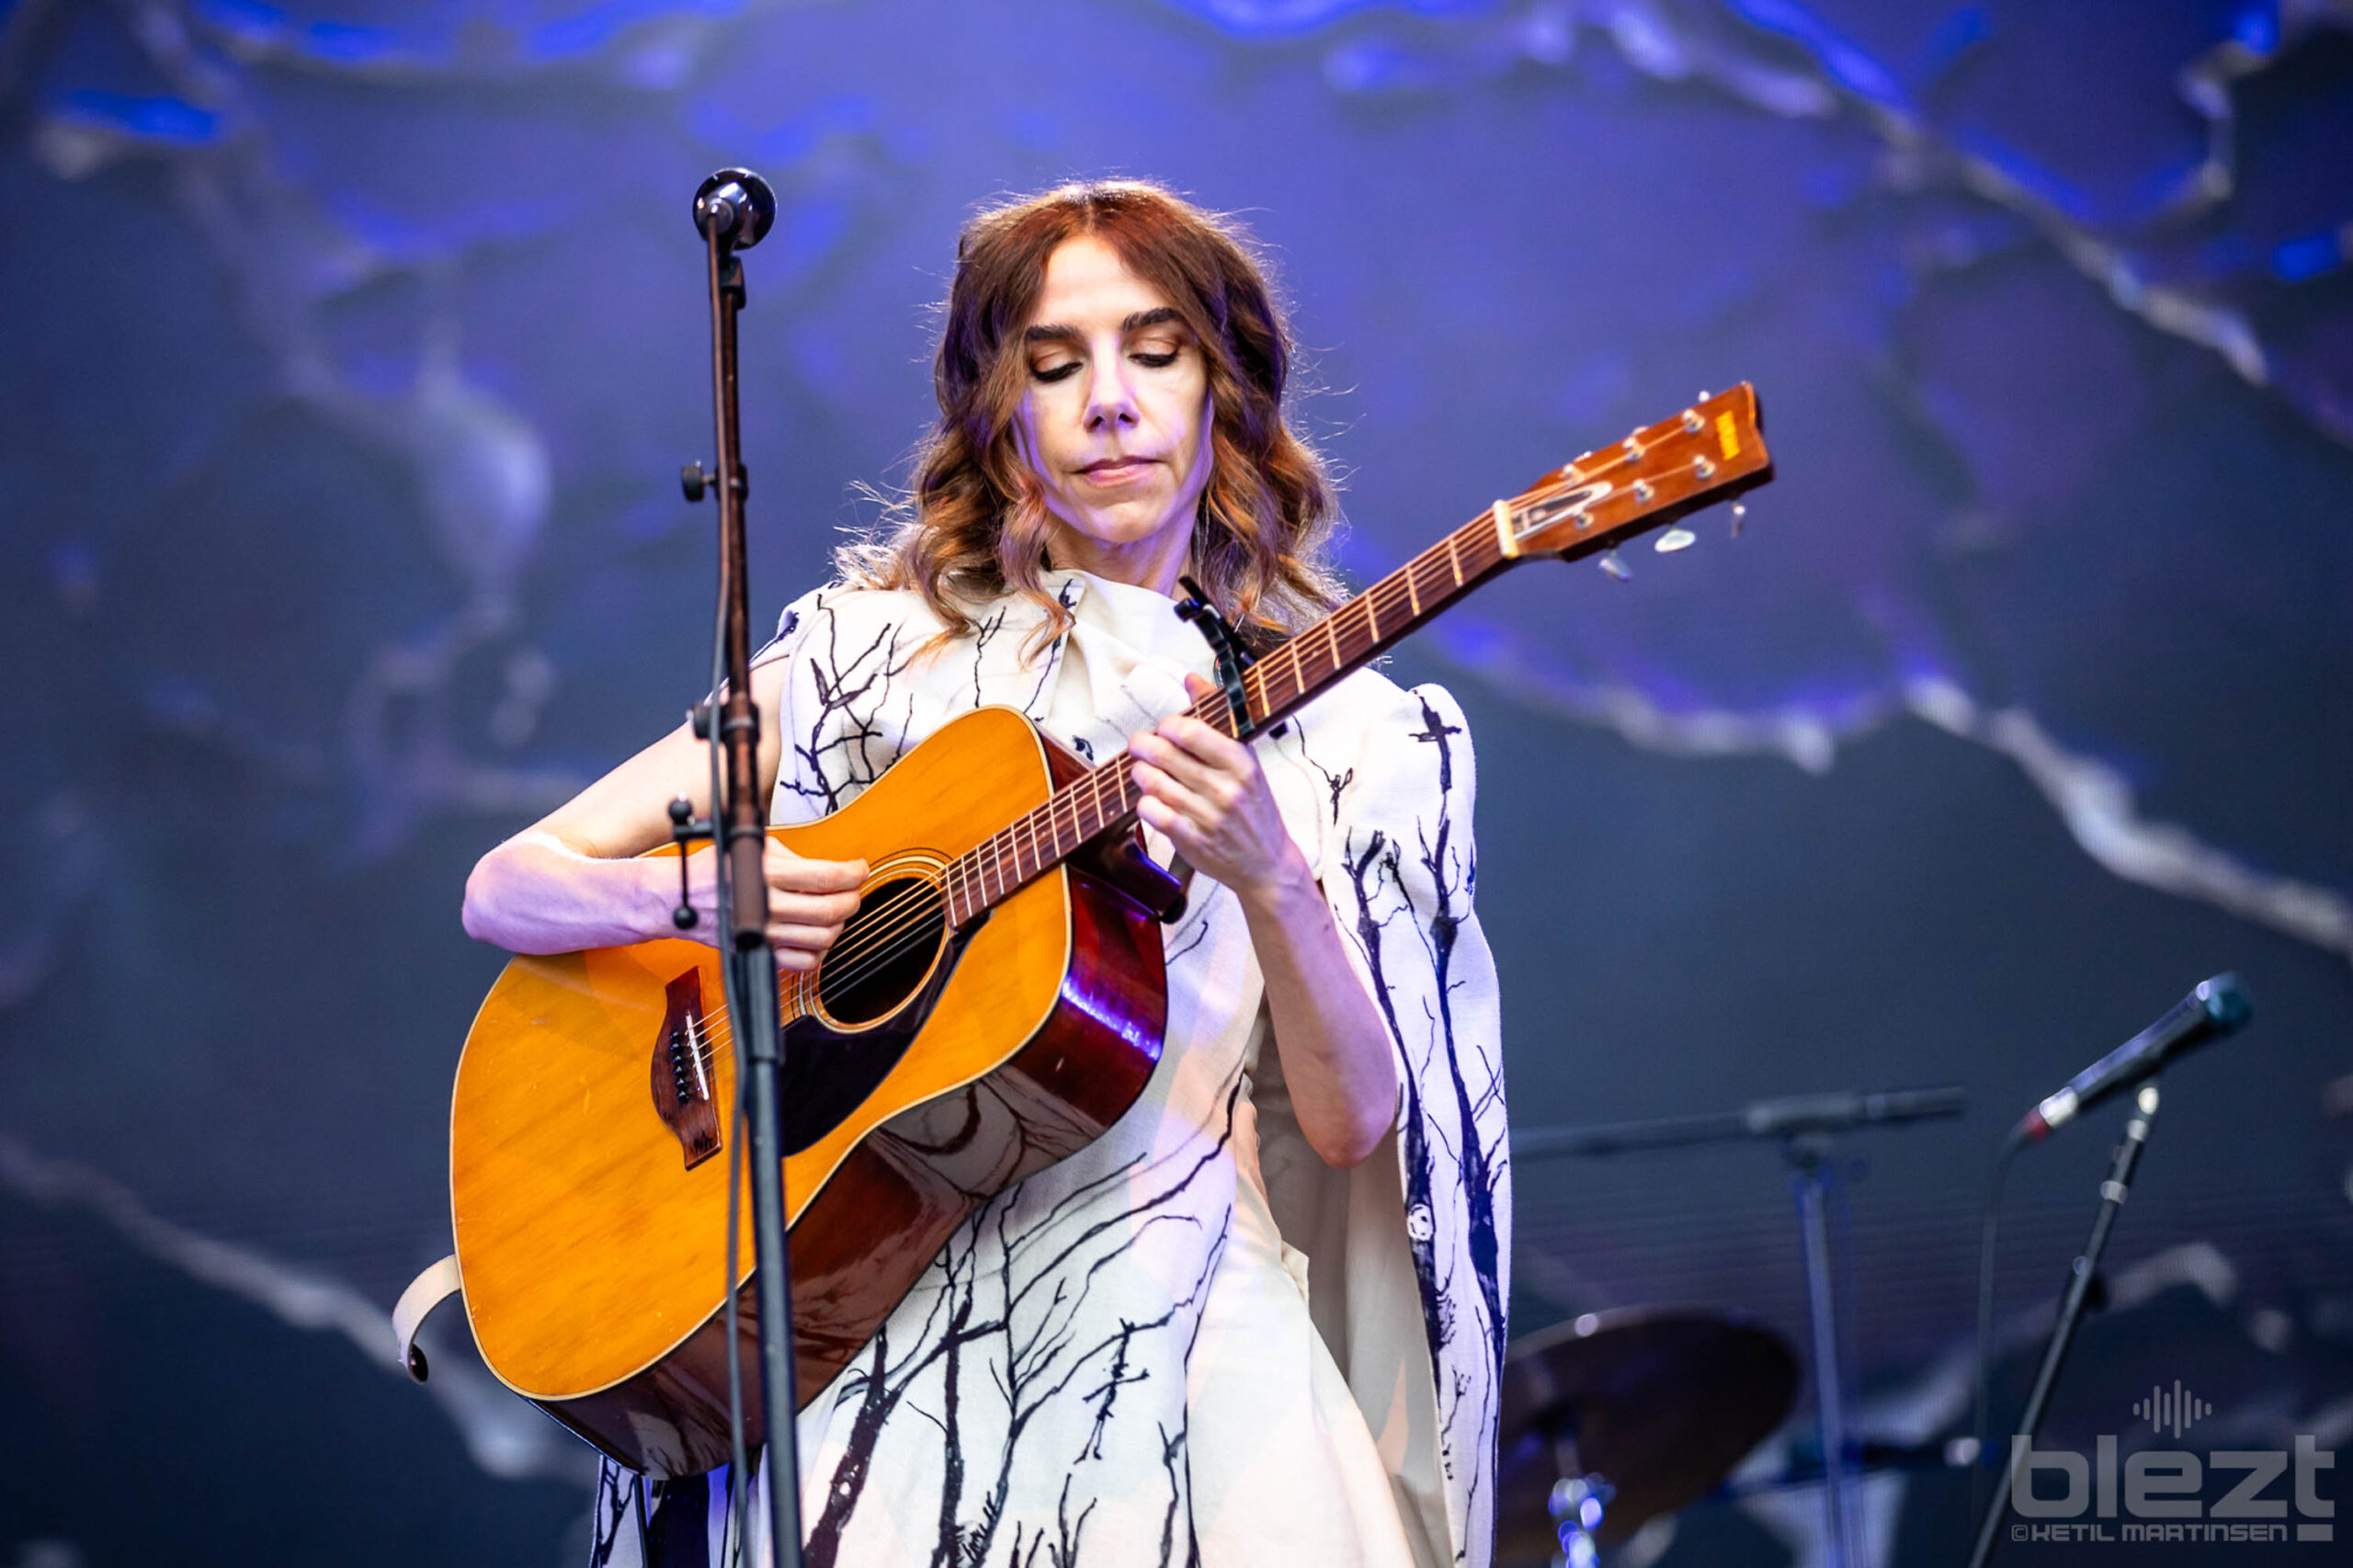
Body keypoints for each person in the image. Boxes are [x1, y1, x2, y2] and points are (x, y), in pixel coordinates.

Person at [460, 179, 1509, 1568]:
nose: (1111, 403)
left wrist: (1274, 879)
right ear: (995, 410)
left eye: (1157, 351)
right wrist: (701, 892)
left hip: (1183, 1355)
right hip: (876, 1373)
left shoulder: (1354, 731)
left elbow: (1352, 1126)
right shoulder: (866, 656)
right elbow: (507, 886)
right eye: (1053, 364)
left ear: (1225, 387)